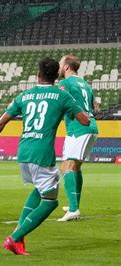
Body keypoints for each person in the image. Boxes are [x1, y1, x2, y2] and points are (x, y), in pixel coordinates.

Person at [0, 58, 90, 255]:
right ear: (56, 77)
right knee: (50, 201)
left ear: (37, 76)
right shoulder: (61, 95)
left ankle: (18, 236)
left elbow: (0, 123)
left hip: (23, 152)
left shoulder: (24, 96)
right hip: (42, 153)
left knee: (41, 189)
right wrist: (69, 107)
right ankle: (14, 237)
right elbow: (85, 120)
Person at [57, 54, 99, 222]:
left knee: (66, 166)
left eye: (60, 63)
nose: (59, 66)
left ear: (67, 66)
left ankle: (74, 209)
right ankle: (74, 204)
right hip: (91, 126)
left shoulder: (64, 83)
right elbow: (96, 107)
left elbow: (61, 103)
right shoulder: (85, 84)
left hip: (78, 129)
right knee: (76, 167)